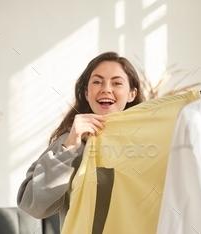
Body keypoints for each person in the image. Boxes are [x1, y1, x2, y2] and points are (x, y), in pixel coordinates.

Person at [17, 52, 145, 230]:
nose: (106, 89)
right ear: (86, 92)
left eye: (116, 83)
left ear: (132, 94)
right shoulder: (70, 143)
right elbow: (33, 205)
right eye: (97, 82)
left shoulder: (147, 143)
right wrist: (69, 147)